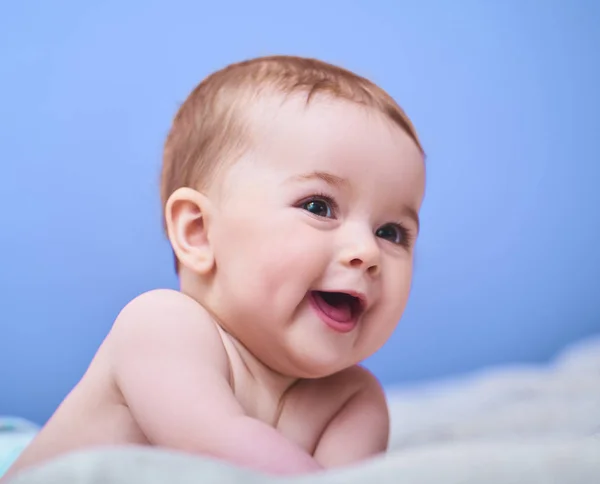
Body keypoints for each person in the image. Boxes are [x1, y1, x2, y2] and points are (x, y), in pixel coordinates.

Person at [5, 55, 426, 479]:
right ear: (199, 233)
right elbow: (222, 450)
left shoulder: (354, 401)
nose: (366, 251)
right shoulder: (162, 326)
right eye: (319, 207)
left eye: (391, 232)